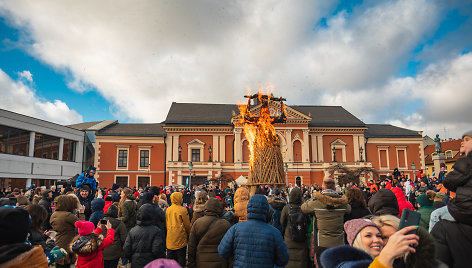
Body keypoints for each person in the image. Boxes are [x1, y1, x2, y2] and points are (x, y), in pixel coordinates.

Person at [218, 194, 289, 267]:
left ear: (248, 208)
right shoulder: (274, 232)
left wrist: (238, 254)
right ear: (267, 210)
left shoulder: (236, 229)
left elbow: (222, 251)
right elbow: (283, 259)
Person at [321, 219, 420, 268]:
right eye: (368, 236)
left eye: (379, 236)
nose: (377, 240)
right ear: (356, 240)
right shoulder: (348, 265)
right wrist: (387, 255)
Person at [301, 178, 351, 266]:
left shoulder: (316, 202)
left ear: (323, 188)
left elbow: (304, 208)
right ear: (335, 188)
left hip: (321, 242)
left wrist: (313, 197)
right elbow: (349, 210)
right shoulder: (343, 203)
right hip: (339, 242)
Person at [188, 197, 232, 268]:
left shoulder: (197, 223)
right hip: (220, 263)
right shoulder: (225, 225)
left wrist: (191, 264)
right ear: (219, 209)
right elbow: (230, 248)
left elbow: (191, 247)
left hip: (201, 262)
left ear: (206, 207)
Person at [280, 187, 308, 268]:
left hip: (289, 239)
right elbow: (308, 222)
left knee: (289, 261)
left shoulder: (286, 208)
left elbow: (282, 222)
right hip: (302, 239)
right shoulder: (304, 208)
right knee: (301, 262)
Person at [50, 194, 80, 268]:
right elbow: (81, 224)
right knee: (65, 264)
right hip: (67, 243)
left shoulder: (54, 214)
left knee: (59, 263)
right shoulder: (68, 215)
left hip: (58, 241)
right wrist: (81, 214)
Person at [166, 191, 191, 267]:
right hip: (180, 236)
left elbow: (167, 222)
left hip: (170, 237)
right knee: (181, 259)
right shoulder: (182, 210)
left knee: (170, 258)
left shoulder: (168, 209)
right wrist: (189, 233)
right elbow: (187, 224)